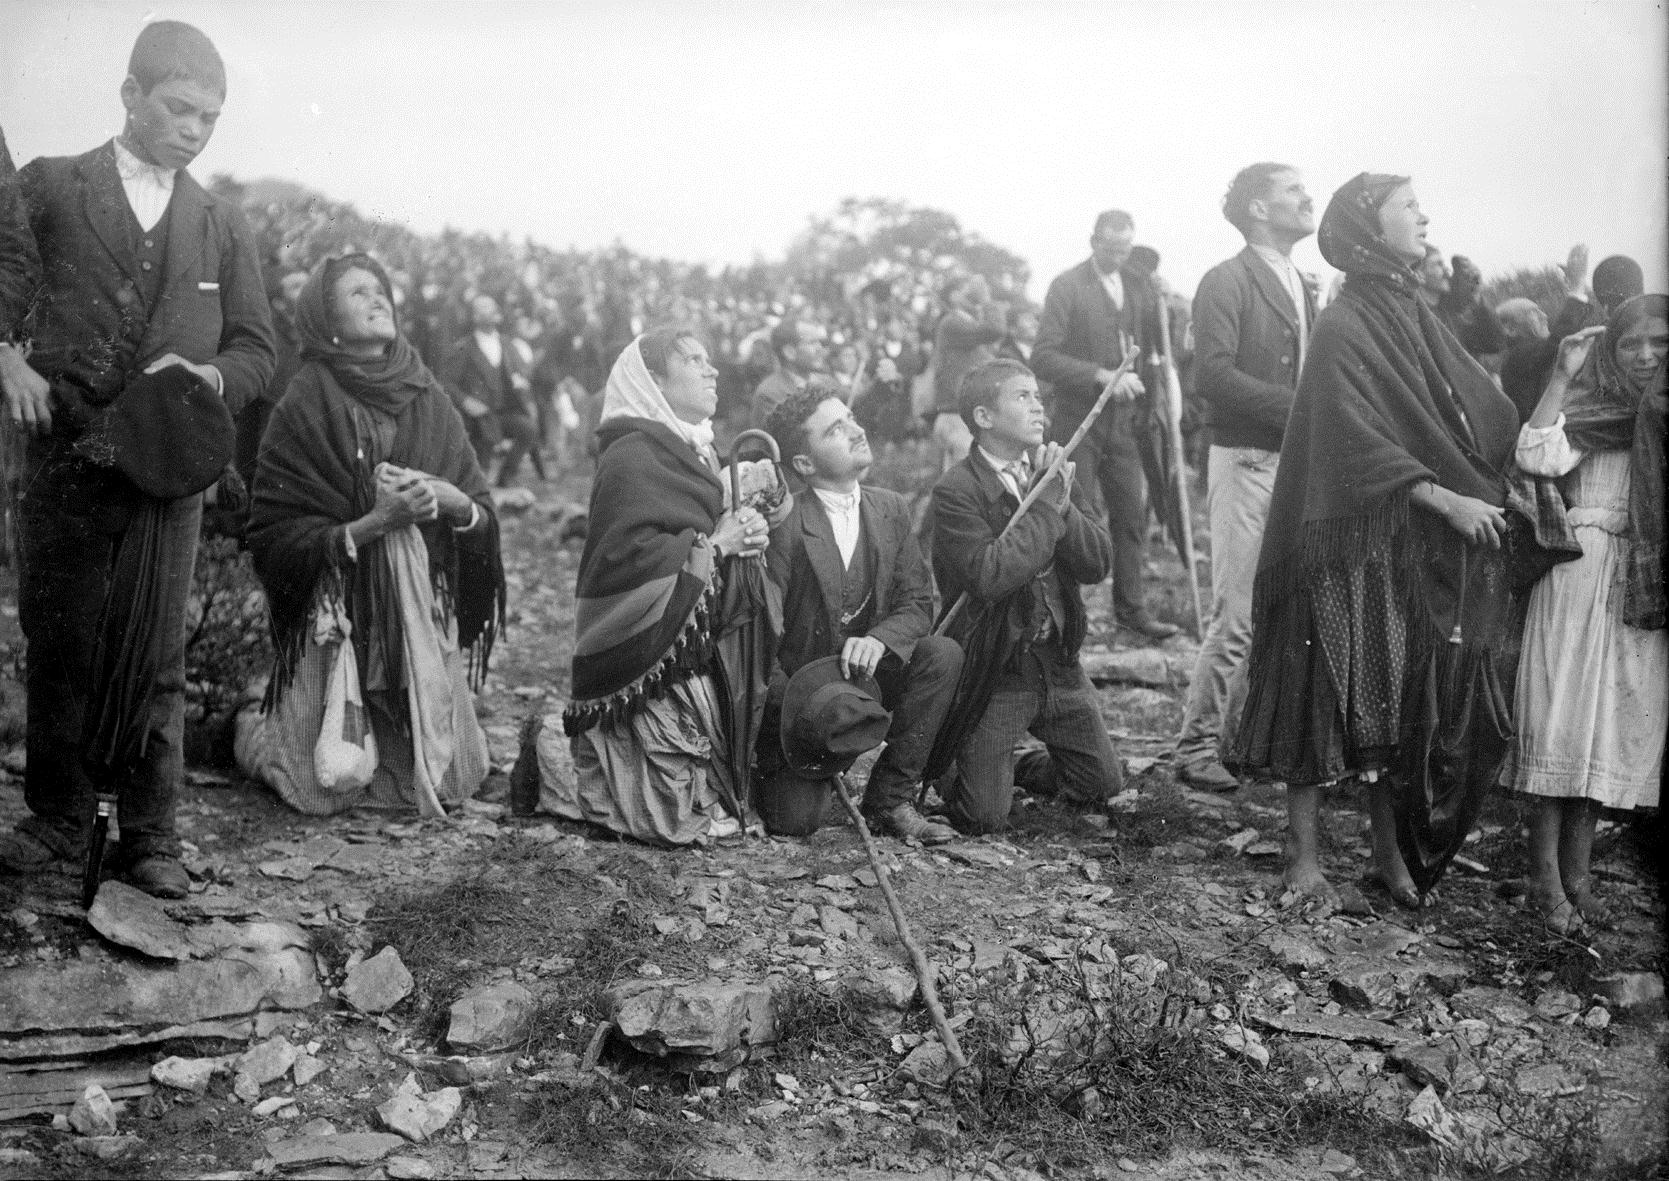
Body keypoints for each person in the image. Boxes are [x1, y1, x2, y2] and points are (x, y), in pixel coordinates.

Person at [0, 23, 275, 897]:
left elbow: (258, 348)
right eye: (179, 108)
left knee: (157, 651)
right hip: (66, 453)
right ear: (129, 95)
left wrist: (213, 372)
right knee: (62, 635)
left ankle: (151, 830)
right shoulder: (48, 184)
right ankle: (56, 818)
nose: (195, 129)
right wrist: (5, 352)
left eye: (211, 117)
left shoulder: (220, 221)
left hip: (170, 461)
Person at [1227, 173, 1521, 910]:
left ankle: (1387, 852)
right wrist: (1443, 494)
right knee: (1322, 687)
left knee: (1390, 692)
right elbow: (1348, 436)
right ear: (1368, 226)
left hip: (1394, 539)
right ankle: (1301, 854)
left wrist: (1485, 471)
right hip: (1338, 535)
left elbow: (1457, 406)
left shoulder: (1408, 309)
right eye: (1408, 207)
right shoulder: (1344, 322)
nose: (1425, 216)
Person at [242, 255, 503, 815]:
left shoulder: (428, 394)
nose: (378, 298)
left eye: (381, 289)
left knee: (453, 782)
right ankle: (248, 729)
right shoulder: (305, 400)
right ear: (324, 316)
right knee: (314, 792)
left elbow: (478, 506)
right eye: (359, 292)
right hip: (336, 608)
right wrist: (373, 523)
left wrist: (451, 501)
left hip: (415, 608)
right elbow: (273, 534)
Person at [559, 327, 780, 845]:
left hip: (688, 648)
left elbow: (696, 522)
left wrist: (744, 520)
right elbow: (628, 560)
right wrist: (719, 545)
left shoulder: (693, 447)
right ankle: (550, 765)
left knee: (704, 788)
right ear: (654, 380)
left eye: (710, 359)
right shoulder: (632, 454)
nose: (713, 370)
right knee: (664, 816)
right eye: (694, 361)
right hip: (644, 654)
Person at [1505, 295, 1666, 934]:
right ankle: (1545, 879)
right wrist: (1563, 376)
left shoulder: (1661, 415)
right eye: (1632, 344)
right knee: (1561, 714)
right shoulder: (1595, 406)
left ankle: (1579, 875)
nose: (1647, 355)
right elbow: (1535, 455)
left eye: (1660, 342)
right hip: (1580, 568)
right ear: (1612, 349)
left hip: (1641, 581)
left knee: (1606, 723)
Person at [930, 359, 1123, 834]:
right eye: (1022, 397)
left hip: (1058, 664)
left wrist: (1061, 497)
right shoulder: (956, 490)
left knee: (1102, 783)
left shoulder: (1053, 471)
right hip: (1000, 670)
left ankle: (1017, 766)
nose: (1039, 406)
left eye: (1039, 397)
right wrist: (1045, 504)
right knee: (984, 816)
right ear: (983, 417)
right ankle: (960, 764)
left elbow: (1096, 563)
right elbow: (990, 575)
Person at [761, 388, 963, 843]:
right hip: (805, 702)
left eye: (851, 419)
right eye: (835, 429)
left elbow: (916, 603)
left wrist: (879, 638)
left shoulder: (889, 507)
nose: (857, 431)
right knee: (795, 825)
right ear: (804, 465)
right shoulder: (787, 526)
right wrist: (798, 717)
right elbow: (762, 640)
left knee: (941, 655)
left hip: (868, 679)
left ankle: (891, 797)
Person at [1173, 163, 1318, 793]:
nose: (1306, 198)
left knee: (1285, 611)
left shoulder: (1301, 283)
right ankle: (1194, 746)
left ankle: (1253, 742)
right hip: (1247, 460)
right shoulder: (1225, 280)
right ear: (1257, 208)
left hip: (1294, 464)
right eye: (1292, 190)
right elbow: (1214, 375)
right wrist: (1303, 410)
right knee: (1236, 613)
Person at [1032, 211, 1177, 640]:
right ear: (1093, 240)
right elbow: (1043, 356)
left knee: (1131, 516)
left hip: (1125, 425)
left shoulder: (1137, 285)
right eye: (1110, 249)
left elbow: (1158, 336)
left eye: (1125, 250)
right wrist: (1101, 376)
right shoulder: (1067, 286)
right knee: (1072, 514)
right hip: (1079, 421)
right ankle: (1065, 613)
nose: (1117, 257)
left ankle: (1131, 611)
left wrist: (1165, 302)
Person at [443, 293, 545, 488]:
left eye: (493, 306)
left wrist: (520, 380)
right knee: (482, 457)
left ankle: (506, 477)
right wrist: (466, 401)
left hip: (506, 411)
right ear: (475, 317)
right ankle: (479, 490)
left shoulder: (507, 344)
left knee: (529, 429)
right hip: (479, 415)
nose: (493, 310)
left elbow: (522, 372)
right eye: (484, 307)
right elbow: (447, 383)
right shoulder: (465, 347)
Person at [929, 275, 1006, 470]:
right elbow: (995, 329)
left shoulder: (967, 326)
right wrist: (986, 299)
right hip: (956, 417)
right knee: (966, 486)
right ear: (954, 297)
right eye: (967, 288)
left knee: (958, 487)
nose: (974, 291)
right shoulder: (952, 323)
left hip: (963, 417)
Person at [748, 317, 827, 428]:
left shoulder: (823, 382)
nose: (820, 348)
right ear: (789, 352)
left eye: (819, 342)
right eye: (812, 343)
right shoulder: (770, 394)